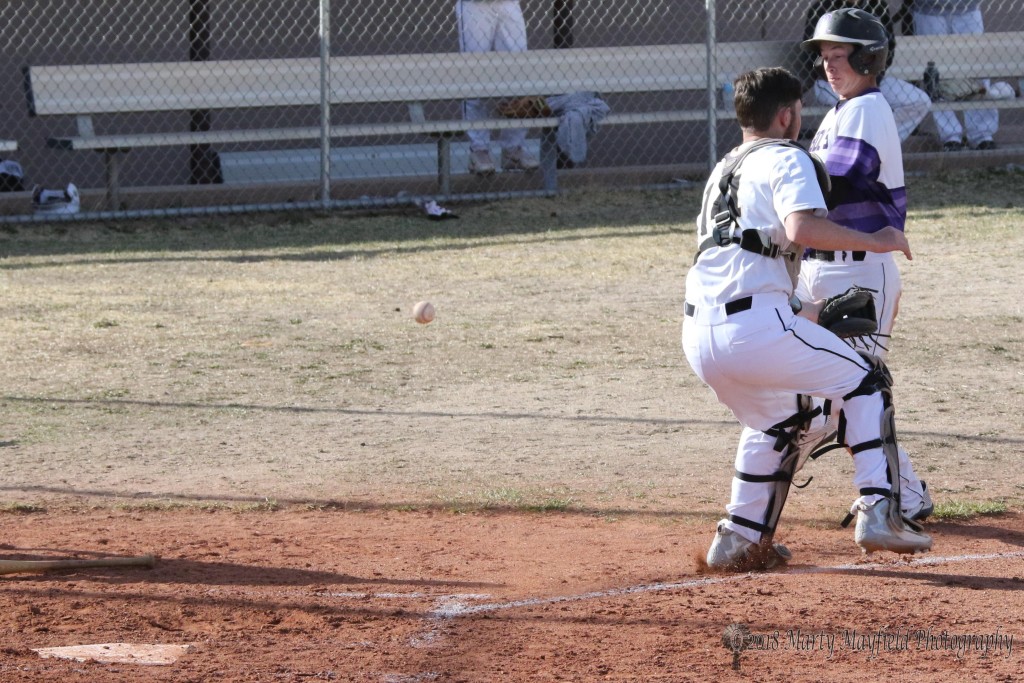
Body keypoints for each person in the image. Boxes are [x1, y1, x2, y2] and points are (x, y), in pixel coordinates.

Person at [682, 66, 932, 572]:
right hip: (755, 327)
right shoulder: (787, 157)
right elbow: (803, 227)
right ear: (786, 115)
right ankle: (880, 510)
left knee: (777, 418)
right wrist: (877, 239)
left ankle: (738, 539)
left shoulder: (724, 169)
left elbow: (741, 258)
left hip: (701, 332)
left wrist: (807, 312)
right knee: (866, 379)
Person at [800, 7, 933, 523]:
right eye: (826, 57)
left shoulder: (867, 108)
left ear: (868, 58)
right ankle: (906, 488)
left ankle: (905, 493)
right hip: (828, 266)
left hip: (857, 271)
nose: (830, 66)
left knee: (850, 392)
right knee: (836, 394)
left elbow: (829, 182)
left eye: (841, 56)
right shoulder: (841, 110)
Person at [802, 0, 930, 143]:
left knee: (920, 101)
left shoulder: (877, 5)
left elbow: (888, 47)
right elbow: (810, 56)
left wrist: (871, 79)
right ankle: (861, 145)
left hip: (871, 76)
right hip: (830, 81)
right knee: (857, 108)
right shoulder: (822, 8)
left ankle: (880, 142)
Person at [456, 0, 540, 175]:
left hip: (508, 4)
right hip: (475, 6)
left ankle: (513, 148)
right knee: (474, 77)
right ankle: (479, 150)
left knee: (519, 76)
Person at [911, 0, 997, 150]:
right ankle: (950, 136)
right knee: (935, 71)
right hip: (928, 9)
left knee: (977, 67)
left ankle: (982, 134)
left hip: (968, 7)